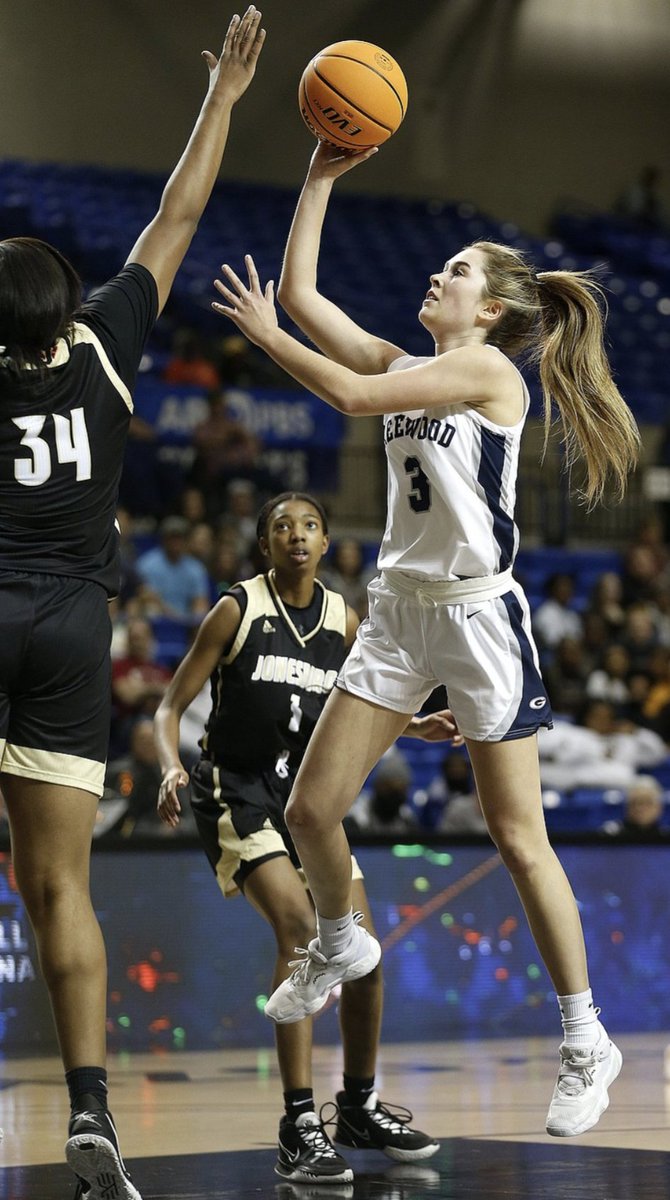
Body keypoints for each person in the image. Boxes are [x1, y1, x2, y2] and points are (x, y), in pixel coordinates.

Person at [210, 138, 642, 1139]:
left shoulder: (489, 372)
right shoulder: (415, 360)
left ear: (487, 306)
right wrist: (318, 174)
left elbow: (348, 394)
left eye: (452, 272)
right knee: (311, 810)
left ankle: (585, 1038)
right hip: (401, 614)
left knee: (515, 835)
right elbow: (305, 295)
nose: (434, 277)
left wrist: (267, 339)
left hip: (477, 618)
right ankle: (335, 940)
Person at [0, 10, 265, 1199]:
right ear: (64, 305)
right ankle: (94, 1115)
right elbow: (177, 215)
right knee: (61, 888)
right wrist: (221, 99)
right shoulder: (105, 345)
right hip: (68, 628)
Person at [155, 491, 460, 1182]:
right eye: (282, 527)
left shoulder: (342, 617)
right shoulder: (237, 608)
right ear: (265, 544)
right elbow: (170, 704)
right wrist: (171, 765)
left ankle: (356, 1105)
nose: (297, 535)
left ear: (327, 543)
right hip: (237, 790)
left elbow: (366, 697)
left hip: (309, 801)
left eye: (312, 525)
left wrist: (416, 724)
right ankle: (298, 1125)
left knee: (364, 955)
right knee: (300, 933)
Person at [136, 515, 210, 623]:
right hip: (156, 621)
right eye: (172, 538)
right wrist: (172, 615)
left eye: (179, 538)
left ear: (185, 540)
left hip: (185, 624)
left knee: (202, 615)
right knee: (150, 609)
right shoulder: (147, 564)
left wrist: (194, 618)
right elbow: (146, 597)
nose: (175, 542)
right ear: (164, 539)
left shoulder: (196, 569)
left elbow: (200, 603)